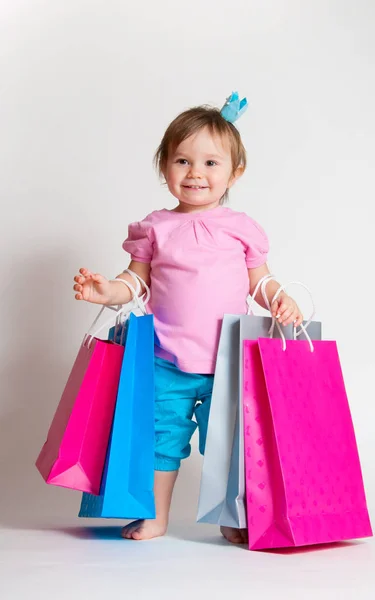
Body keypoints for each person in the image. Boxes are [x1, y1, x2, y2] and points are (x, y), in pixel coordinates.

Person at [73, 93, 303, 544]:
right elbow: (135, 282)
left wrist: (282, 299)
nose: (196, 173)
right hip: (167, 361)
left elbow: (260, 282)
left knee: (233, 444)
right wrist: (108, 290)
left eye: (211, 163)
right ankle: (156, 516)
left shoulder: (240, 227)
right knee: (162, 441)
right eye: (182, 160)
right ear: (165, 168)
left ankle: (233, 519)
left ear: (235, 172)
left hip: (229, 361)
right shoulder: (156, 226)